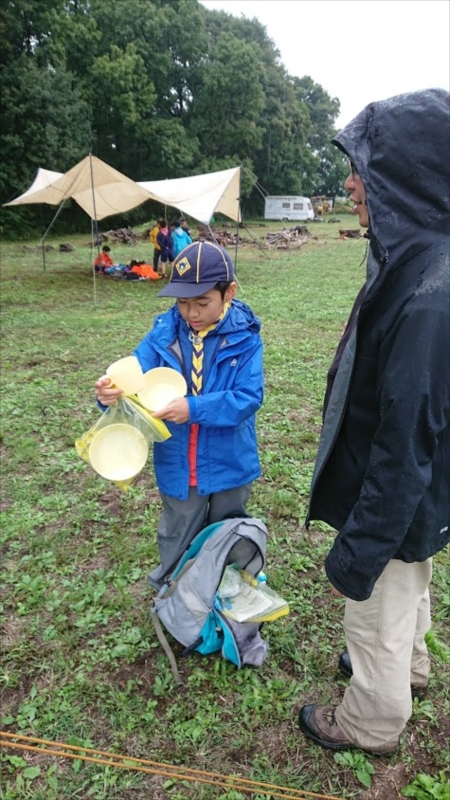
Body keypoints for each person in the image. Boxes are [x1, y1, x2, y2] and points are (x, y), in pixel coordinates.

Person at [298, 89, 450, 756]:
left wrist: (360, 543)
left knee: (376, 609)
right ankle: (409, 671)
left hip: (392, 494)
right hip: (418, 502)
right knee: (409, 585)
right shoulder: (420, 256)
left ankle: (368, 722)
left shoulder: (428, 295)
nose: (351, 185)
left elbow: (405, 437)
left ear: (406, 177)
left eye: (365, 170)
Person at [94, 241, 264, 589]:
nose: (191, 313)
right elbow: (131, 380)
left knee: (229, 529)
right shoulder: (163, 336)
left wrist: (194, 408)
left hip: (229, 460)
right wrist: (109, 393)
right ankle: (173, 593)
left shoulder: (245, 339)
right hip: (178, 461)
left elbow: (248, 397)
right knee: (177, 530)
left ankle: (228, 595)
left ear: (228, 292)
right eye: (183, 302)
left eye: (202, 302)